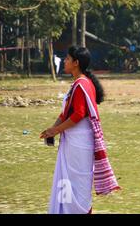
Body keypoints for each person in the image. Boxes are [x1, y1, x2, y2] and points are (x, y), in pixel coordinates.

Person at [40, 46, 120, 214]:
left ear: (76, 63)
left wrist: (56, 130)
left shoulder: (81, 84)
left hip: (79, 142)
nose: (65, 61)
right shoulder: (78, 84)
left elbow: (78, 114)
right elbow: (65, 113)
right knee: (69, 181)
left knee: (77, 184)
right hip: (74, 141)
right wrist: (52, 129)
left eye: (68, 59)